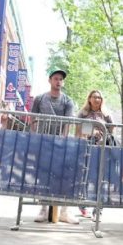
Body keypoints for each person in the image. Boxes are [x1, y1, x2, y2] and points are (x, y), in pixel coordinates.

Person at [30, 68, 79, 224]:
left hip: (60, 144)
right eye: (56, 78)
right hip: (43, 142)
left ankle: (65, 211)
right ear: (50, 80)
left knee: (64, 177)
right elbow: (33, 119)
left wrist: (62, 141)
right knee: (43, 176)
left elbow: (68, 122)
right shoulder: (39, 99)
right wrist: (36, 137)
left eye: (61, 79)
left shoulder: (67, 101)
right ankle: (43, 209)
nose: (59, 81)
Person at [76, 89, 114, 218]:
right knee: (84, 177)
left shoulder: (106, 114)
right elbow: (78, 129)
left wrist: (104, 134)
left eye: (99, 97)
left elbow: (112, 129)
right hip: (86, 147)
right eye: (94, 97)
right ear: (89, 99)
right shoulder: (83, 113)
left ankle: (98, 209)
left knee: (100, 178)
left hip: (102, 149)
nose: (97, 99)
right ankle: (83, 206)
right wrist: (92, 132)